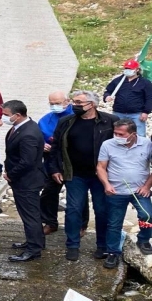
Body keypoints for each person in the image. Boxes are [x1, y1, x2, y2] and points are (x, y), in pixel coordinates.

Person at [48, 90, 119, 261]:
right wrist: (55, 169)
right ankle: (72, 245)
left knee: (102, 211)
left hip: (100, 176)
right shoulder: (66, 122)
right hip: (75, 174)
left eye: (79, 102)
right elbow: (56, 147)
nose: (75, 105)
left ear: (92, 104)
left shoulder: (109, 121)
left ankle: (102, 245)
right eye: (73, 102)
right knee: (73, 209)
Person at [97, 119, 152, 269]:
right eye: (115, 133)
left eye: (120, 134)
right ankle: (113, 252)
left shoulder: (147, 144)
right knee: (114, 223)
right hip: (116, 191)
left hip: (139, 191)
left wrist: (147, 186)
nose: (116, 136)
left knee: (147, 215)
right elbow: (101, 167)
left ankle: (144, 239)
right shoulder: (107, 145)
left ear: (133, 134)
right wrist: (106, 184)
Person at [39, 91, 89, 235]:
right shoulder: (45, 120)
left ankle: (81, 225)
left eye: (58, 103)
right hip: (53, 161)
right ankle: (50, 222)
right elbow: (38, 136)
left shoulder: (78, 115)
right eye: (52, 104)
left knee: (79, 195)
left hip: (75, 162)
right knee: (49, 193)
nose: (55, 106)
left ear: (67, 101)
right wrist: (42, 144)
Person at [2, 100, 45, 262]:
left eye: (6, 115)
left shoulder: (29, 133)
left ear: (17, 115)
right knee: (30, 214)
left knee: (30, 216)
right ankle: (35, 241)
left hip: (27, 181)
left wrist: (11, 174)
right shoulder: (19, 128)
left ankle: (34, 249)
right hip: (23, 180)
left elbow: (27, 161)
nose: (3, 118)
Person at [103, 59, 152, 137]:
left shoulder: (145, 83)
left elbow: (149, 98)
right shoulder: (118, 81)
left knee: (139, 135)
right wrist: (107, 96)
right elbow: (108, 91)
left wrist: (146, 112)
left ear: (137, 70)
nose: (128, 70)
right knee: (117, 134)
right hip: (118, 112)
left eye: (130, 69)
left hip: (137, 114)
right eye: (126, 68)